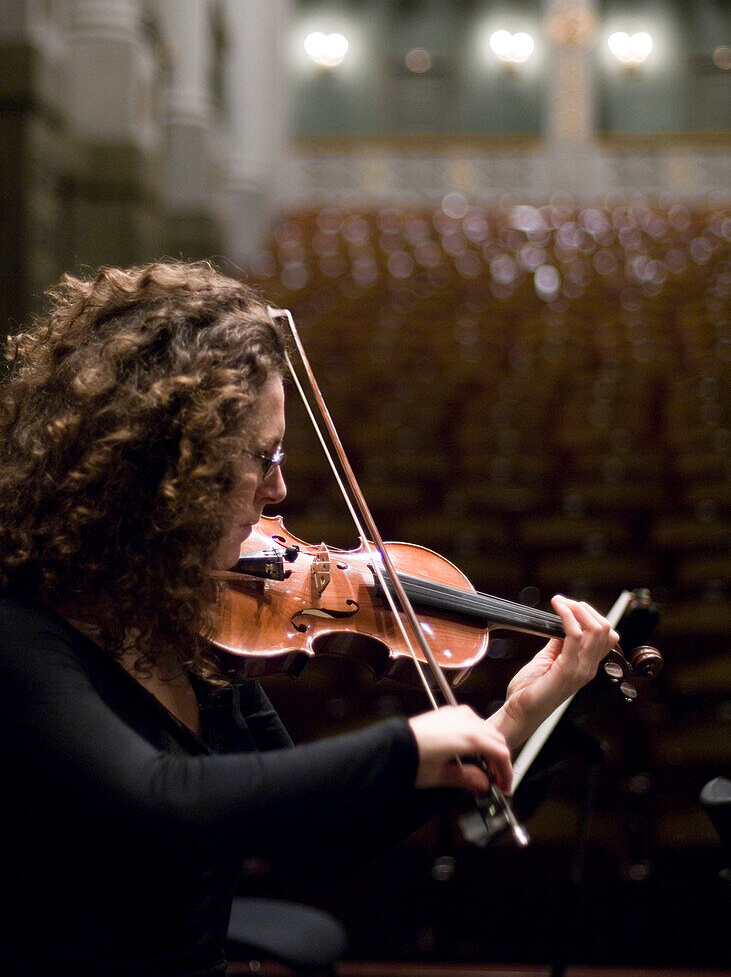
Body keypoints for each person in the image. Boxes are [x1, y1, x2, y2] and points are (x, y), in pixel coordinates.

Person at [0, 261, 619, 976]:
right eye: (260, 457)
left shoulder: (185, 627)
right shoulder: (22, 637)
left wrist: (509, 721)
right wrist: (400, 746)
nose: (279, 487)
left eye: (282, 454)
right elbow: (154, 800)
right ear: (164, 465)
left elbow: (313, 843)